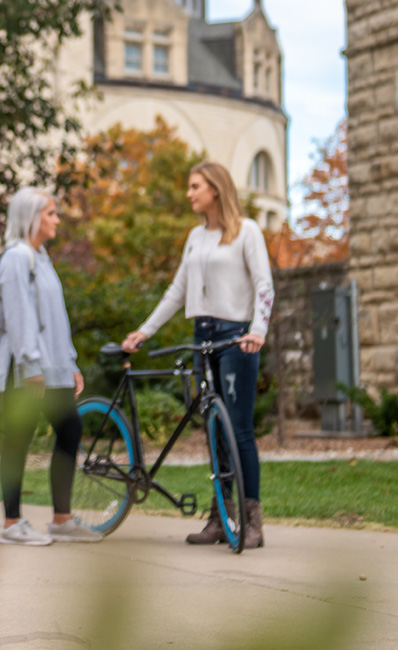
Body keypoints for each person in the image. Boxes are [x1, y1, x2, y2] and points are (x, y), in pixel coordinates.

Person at [120, 161, 273, 549]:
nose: (189, 194)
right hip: (202, 335)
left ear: (216, 190)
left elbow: (264, 285)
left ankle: (252, 520)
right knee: (214, 431)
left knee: (238, 429)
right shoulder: (195, 236)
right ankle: (222, 516)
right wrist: (145, 329)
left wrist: (258, 330)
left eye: (194, 187)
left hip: (236, 338)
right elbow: (177, 290)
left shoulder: (247, 231)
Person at [0, 188, 104, 546]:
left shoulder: (42, 258)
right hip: (26, 368)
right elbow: (18, 316)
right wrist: (30, 365)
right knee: (18, 440)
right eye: (51, 213)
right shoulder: (16, 258)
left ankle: (61, 519)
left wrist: (69, 361)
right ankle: (12, 523)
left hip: (52, 366)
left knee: (70, 430)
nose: (57, 219)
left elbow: (56, 319)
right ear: (31, 216)